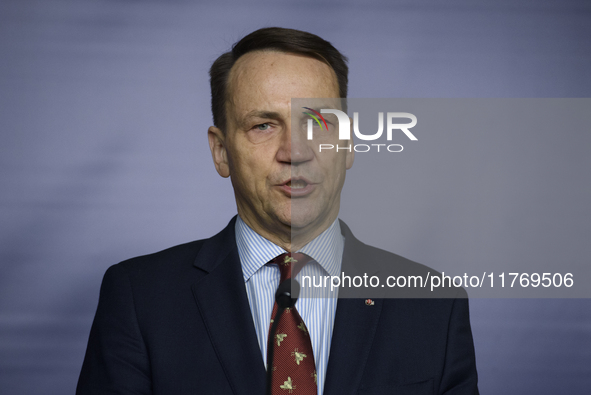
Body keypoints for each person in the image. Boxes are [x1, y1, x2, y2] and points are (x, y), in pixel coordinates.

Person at [77, 27, 478, 394]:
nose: (295, 152)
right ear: (221, 152)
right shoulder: (139, 298)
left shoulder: (434, 304)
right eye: (264, 126)